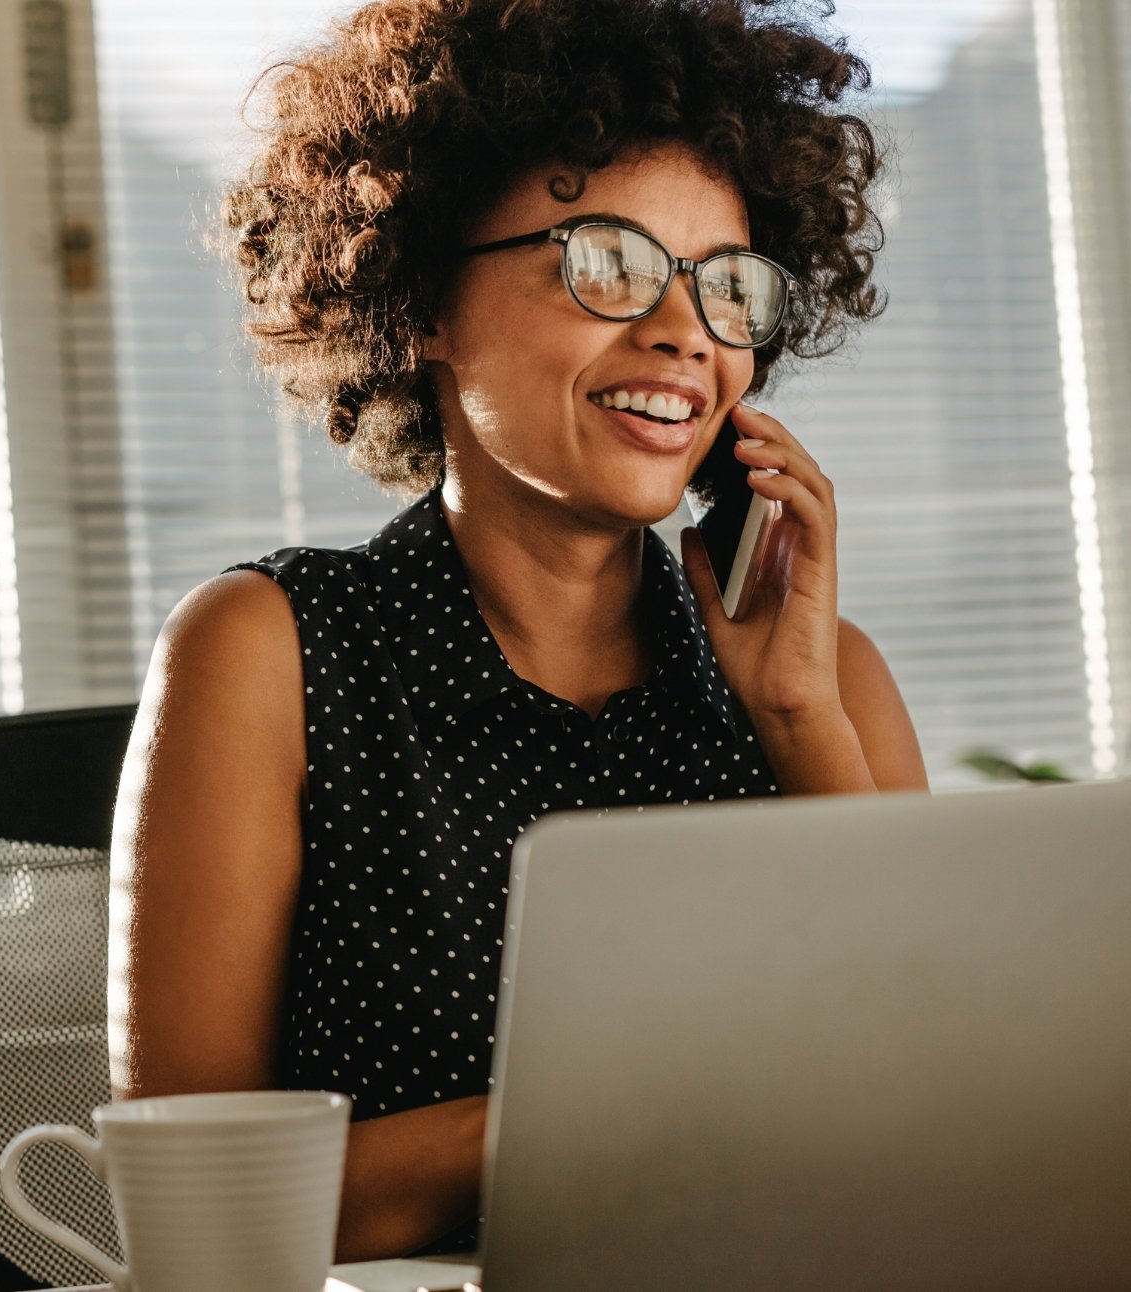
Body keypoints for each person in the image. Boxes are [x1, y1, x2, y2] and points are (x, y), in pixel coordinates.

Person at [107, 0, 928, 1261]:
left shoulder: (822, 678)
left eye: (728, 287)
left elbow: (946, 1118)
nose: (681, 333)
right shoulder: (267, 651)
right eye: (606, 261)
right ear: (424, 296)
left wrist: (799, 723)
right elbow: (196, 1205)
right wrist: (608, 1115)